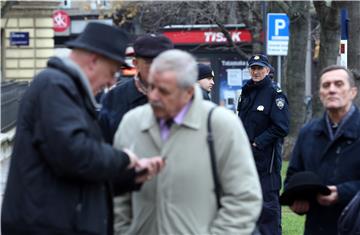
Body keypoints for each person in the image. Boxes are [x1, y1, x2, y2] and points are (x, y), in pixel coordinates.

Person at [1, 22, 165, 235]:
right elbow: (74, 153)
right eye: (112, 72)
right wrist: (124, 159)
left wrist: (130, 176)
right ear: (94, 61)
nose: (111, 82)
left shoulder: (70, 91)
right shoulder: (54, 86)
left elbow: (81, 173)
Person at [112, 49, 262, 235]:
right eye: (151, 87)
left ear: (188, 91)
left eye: (164, 91)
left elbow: (244, 198)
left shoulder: (221, 126)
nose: (153, 97)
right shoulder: (131, 124)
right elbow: (118, 195)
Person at [284, 65, 360, 235]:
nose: (332, 89)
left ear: (353, 92)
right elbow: (292, 176)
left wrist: (341, 193)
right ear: (320, 94)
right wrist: (296, 197)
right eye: (326, 85)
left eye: (339, 84)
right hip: (317, 228)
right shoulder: (308, 133)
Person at [237, 54, 290, 235]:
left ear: (267, 70)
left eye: (260, 68)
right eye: (253, 68)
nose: (256, 71)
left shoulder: (275, 94)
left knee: (268, 211)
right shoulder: (247, 91)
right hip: (246, 161)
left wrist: (257, 143)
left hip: (266, 163)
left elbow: (281, 127)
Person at [98, 34, 174, 144]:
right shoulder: (114, 98)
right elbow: (104, 144)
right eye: (150, 63)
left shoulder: (189, 96)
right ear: (136, 63)